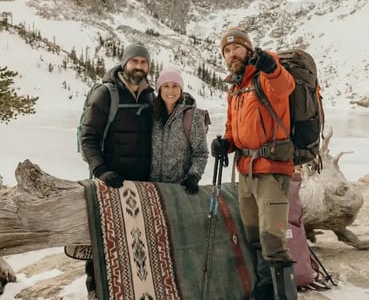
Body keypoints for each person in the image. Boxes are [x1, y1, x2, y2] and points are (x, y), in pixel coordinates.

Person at [211, 27, 298, 300]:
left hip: (272, 170)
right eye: (226, 50)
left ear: (248, 49)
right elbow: (231, 127)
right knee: (254, 237)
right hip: (246, 172)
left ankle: (284, 296)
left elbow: (286, 85)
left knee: (273, 238)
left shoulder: (265, 76)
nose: (231, 53)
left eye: (236, 48)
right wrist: (226, 143)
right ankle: (264, 291)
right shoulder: (235, 89)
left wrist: (271, 66)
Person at [80, 42, 154, 297]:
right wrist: (100, 170)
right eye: (135, 61)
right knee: (102, 240)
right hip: (109, 180)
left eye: (144, 62)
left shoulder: (149, 96)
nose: (139, 67)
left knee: (135, 240)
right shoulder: (106, 94)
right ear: (124, 63)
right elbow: (88, 138)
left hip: (142, 182)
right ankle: (95, 290)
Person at [150, 66, 209, 194]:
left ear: (181, 89)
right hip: (152, 188)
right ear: (159, 89)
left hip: (180, 190)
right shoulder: (152, 115)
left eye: (175, 86)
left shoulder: (192, 117)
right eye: (166, 86)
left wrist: (194, 176)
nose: (170, 90)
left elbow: (201, 153)